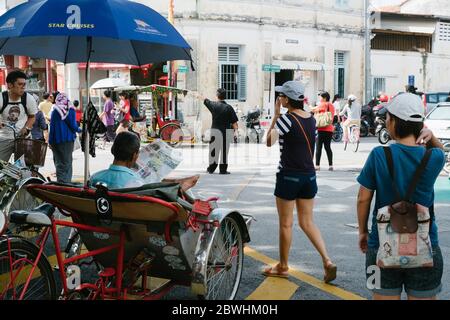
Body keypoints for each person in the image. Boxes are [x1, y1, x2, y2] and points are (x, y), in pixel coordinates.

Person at [357, 93, 445, 300]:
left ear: (395, 122)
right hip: (426, 247)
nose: (385, 121)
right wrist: (430, 136)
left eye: (388, 117)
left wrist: (363, 232)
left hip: (380, 247)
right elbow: (441, 153)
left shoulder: (379, 154)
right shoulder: (433, 156)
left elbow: (363, 198)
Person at [264, 81, 337, 283]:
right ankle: (327, 260)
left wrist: (277, 115)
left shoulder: (286, 119)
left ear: (287, 99)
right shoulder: (311, 119)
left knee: (286, 224)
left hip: (288, 176)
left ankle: (283, 266)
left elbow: (268, 142)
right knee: (307, 222)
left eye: (281, 96)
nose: (280, 99)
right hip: (309, 177)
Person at [90, 131, 200, 191]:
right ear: (134, 156)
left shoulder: (95, 178)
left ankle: (179, 182)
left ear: (113, 150)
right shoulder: (136, 183)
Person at [0, 70, 38, 161]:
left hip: (23, 139)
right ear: (10, 85)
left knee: (26, 168)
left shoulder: (29, 98)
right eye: (20, 84)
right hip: (4, 138)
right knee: (1, 167)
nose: (23, 87)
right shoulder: (1, 98)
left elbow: (32, 117)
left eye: (24, 84)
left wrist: (27, 128)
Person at [202, 88, 239, 174]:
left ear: (217, 96)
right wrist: (236, 133)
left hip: (215, 132)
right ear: (225, 96)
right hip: (227, 132)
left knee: (213, 151)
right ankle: (223, 170)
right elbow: (234, 122)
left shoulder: (213, 105)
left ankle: (211, 168)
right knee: (224, 152)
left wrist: (197, 95)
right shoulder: (229, 108)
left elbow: (205, 99)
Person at [49, 92, 81, 183]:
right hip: (67, 140)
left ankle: (61, 182)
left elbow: (52, 127)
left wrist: (50, 141)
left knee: (58, 163)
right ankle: (66, 184)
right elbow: (73, 126)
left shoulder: (55, 110)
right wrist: (80, 130)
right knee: (67, 163)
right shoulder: (70, 110)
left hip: (55, 140)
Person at [311, 91, 335, 171]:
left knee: (319, 147)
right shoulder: (331, 105)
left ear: (324, 98)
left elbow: (313, 110)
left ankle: (317, 166)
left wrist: (308, 104)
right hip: (330, 129)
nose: (320, 99)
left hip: (321, 129)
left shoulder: (323, 104)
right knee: (328, 147)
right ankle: (330, 165)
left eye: (321, 97)